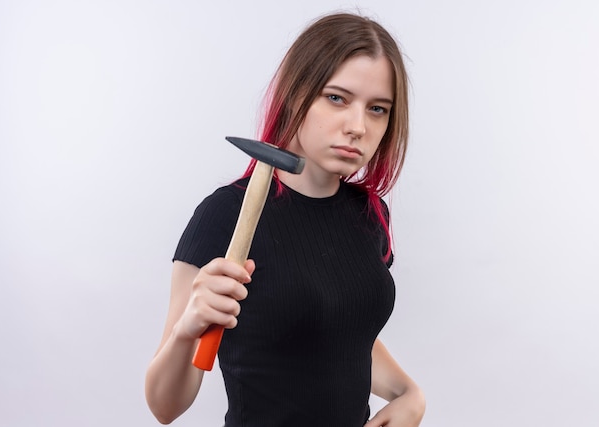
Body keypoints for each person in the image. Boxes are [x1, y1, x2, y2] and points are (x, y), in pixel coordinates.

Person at [145, 12, 426, 427]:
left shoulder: (370, 216)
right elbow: (164, 408)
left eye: (378, 109)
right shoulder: (224, 216)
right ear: (296, 94)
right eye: (337, 98)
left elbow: (342, 334)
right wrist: (189, 328)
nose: (357, 127)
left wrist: (409, 395)